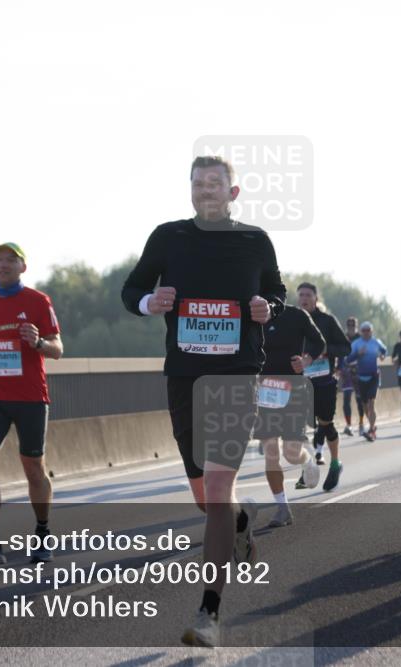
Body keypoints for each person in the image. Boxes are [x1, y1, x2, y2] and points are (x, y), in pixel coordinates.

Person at [121, 156, 286, 648]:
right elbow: (131, 289)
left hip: (237, 375)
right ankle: (238, 519)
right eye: (198, 183)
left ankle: (209, 611)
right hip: (185, 376)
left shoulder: (254, 240)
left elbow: (275, 291)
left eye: (216, 183)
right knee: (205, 497)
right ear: (190, 191)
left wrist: (267, 308)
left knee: (216, 488)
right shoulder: (168, 237)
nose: (206, 190)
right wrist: (152, 303)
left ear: (233, 193)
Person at [0, 243, 64, 565]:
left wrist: (36, 342)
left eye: (10, 260)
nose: (2, 265)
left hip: (31, 397)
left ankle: (43, 533)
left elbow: (58, 348)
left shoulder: (37, 302)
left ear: (23, 268)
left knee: (33, 467)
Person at [257, 303, 324, 527]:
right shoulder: (251, 316)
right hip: (265, 391)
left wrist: (305, 361)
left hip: (293, 390)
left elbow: (318, 341)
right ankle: (282, 508)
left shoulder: (296, 315)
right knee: (270, 451)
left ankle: (306, 462)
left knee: (291, 453)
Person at [295, 283, 351, 492]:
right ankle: (308, 465)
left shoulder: (327, 321)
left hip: (325, 382)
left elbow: (346, 347)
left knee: (326, 425)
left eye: (308, 294)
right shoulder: (294, 320)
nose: (304, 298)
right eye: (301, 295)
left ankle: (335, 464)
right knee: (297, 427)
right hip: (301, 383)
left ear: (316, 298)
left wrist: (326, 350)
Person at [347, 322, 388, 441]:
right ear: (360, 331)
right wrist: (358, 354)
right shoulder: (356, 344)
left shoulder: (376, 342)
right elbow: (348, 359)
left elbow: (384, 351)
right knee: (364, 406)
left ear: (371, 331)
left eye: (368, 330)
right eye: (363, 330)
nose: (366, 332)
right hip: (361, 377)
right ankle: (373, 426)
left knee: (371, 403)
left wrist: (382, 356)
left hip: (374, 376)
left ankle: (371, 429)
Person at [340, 316, 365, 437]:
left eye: (353, 326)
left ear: (356, 326)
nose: (351, 328)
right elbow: (339, 354)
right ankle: (349, 425)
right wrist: (338, 368)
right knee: (346, 399)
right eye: (349, 326)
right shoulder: (343, 337)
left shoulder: (361, 339)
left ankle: (361, 424)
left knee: (360, 400)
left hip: (358, 371)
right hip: (346, 371)